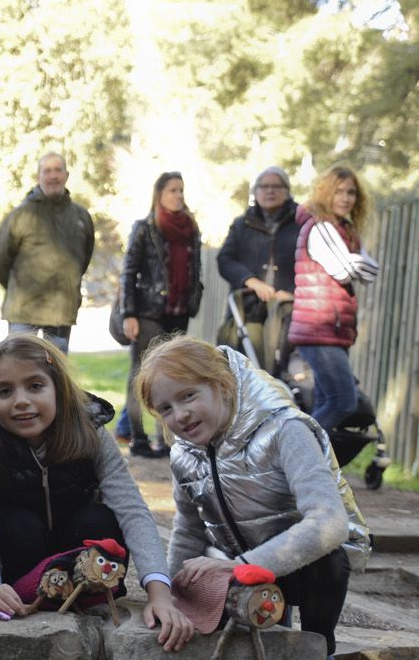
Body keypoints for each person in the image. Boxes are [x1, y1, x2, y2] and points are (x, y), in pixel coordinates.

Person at [137, 336, 369, 660]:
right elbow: (188, 530)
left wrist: (244, 567)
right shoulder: (184, 454)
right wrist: (169, 595)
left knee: (330, 561)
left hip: (296, 563)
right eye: (165, 408)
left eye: (188, 395)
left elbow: (330, 523)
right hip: (234, 565)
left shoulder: (284, 429)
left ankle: (321, 653)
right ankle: (268, 629)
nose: (180, 415)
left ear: (222, 385)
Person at [0, 334, 193, 650]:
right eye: (5, 391)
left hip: (84, 563)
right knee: (17, 524)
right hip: (21, 564)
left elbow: (131, 510)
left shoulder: (89, 432)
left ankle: (85, 595)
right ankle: (31, 594)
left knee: (99, 519)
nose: (21, 400)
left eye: (35, 386)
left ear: (58, 389)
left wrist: (160, 593)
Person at [287, 165, 379, 431]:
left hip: (335, 330)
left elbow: (368, 271)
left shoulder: (344, 230)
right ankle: (294, 453)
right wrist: (357, 263)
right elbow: (344, 270)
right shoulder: (322, 227)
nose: (345, 198)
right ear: (325, 192)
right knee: (342, 402)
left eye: (351, 192)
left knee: (325, 401)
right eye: (338, 191)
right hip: (319, 329)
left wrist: (355, 263)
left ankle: (310, 468)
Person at [119, 171, 204, 457]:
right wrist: (128, 313)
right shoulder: (145, 227)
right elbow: (129, 272)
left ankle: (167, 441)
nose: (179, 195)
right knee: (140, 375)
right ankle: (138, 438)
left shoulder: (191, 228)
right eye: (173, 190)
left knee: (172, 377)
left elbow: (195, 269)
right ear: (159, 195)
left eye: (181, 190)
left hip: (179, 312)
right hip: (147, 312)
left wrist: (195, 295)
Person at [0, 151, 96, 353]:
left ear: (67, 175)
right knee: (18, 366)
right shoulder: (20, 215)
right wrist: (18, 288)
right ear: (38, 177)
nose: (53, 176)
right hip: (23, 310)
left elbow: (84, 258)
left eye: (58, 170)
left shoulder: (81, 217)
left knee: (56, 376)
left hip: (61, 312)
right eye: (47, 171)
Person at [217, 166, 298, 369]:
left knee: (282, 367)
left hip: (290, 311)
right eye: (264, 186)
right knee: (245, 364)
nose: (270, 191)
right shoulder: (242, 224)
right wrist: (251, 282)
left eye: (276, 186)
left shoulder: (302, 222)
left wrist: (293, 294)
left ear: (287, 190)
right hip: (248, 309)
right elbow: (225, 259)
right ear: (255, 191)